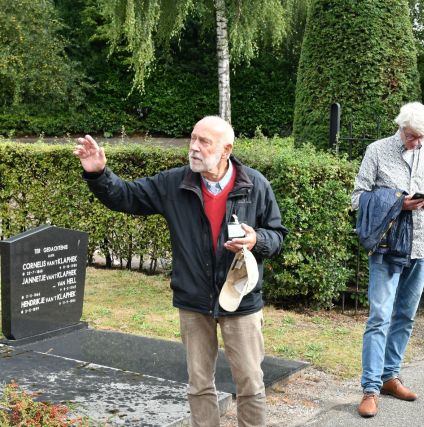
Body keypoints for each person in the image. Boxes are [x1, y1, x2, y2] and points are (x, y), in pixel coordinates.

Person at [74, 116, 287, 427]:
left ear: (226, 149)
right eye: (193, 139)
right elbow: (128, 196)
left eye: (204, 142)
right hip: (194, 300)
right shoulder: (175, 183)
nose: (194, 147)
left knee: (251, 384)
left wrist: (257, 239)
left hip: (240, 299)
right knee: (199, 385)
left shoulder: (255, 184)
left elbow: (278, 235)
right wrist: (99, 174)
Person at [351, 102, 424, 418]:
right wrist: (395, 203)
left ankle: (390, 376)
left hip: (422, 246)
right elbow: (357, 197)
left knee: (405, 316)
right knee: (380, 316)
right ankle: (369, 389)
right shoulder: (377, 151)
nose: (417, 142)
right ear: (401, 128)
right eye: (412, 136)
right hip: (387, 248)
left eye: (422, 136)